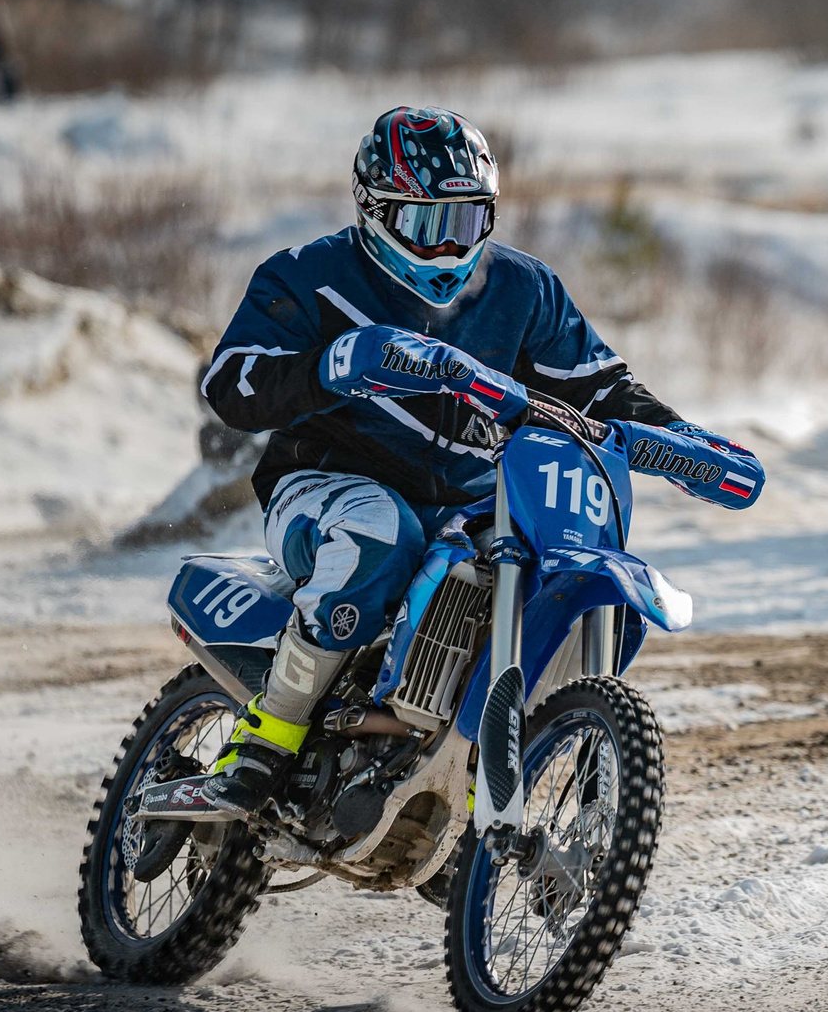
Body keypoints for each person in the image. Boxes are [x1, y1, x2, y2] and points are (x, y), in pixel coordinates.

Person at [141, 106, 765, 819]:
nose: (448, 246)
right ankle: (265, 741)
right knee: (381, 529)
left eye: (466, 222)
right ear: (375, 209)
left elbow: (602, 387)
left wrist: (685, 443)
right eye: (426, 223)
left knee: (542, 572)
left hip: (470, 505)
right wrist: (337, 362)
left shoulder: (523, 291)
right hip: (327, 484)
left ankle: (485, 767)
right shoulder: (309, 276)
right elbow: (231, 383)